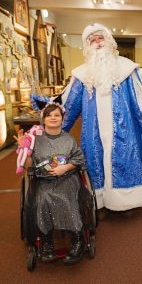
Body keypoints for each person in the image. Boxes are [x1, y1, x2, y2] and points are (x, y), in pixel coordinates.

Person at [31, 23, 142, 212]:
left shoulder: (126, 68)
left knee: (125, 161)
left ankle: (128, 203)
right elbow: (69, 105)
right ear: (87, 46)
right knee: (96, 164)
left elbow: (139, 98)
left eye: (100, 38)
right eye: (92, 40)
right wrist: (49, 119)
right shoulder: (81, 74)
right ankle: (99, 200)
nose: (97, 42)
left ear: (109, 40)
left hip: (124, 130)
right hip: (94, 133)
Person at [15, 103, 87, 265]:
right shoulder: (34, 140)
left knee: (67, 196)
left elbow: (79, 159)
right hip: (43, 180)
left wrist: (65, 168)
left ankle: (77, 239)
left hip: (67, 178)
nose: (53, 118)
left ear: (62, 119)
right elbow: (29, 166)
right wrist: (24, 149)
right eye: (49, 115)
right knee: (42, 198)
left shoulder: (68, 139)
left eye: (57, 115)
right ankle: (46, 242)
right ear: (43, 119)